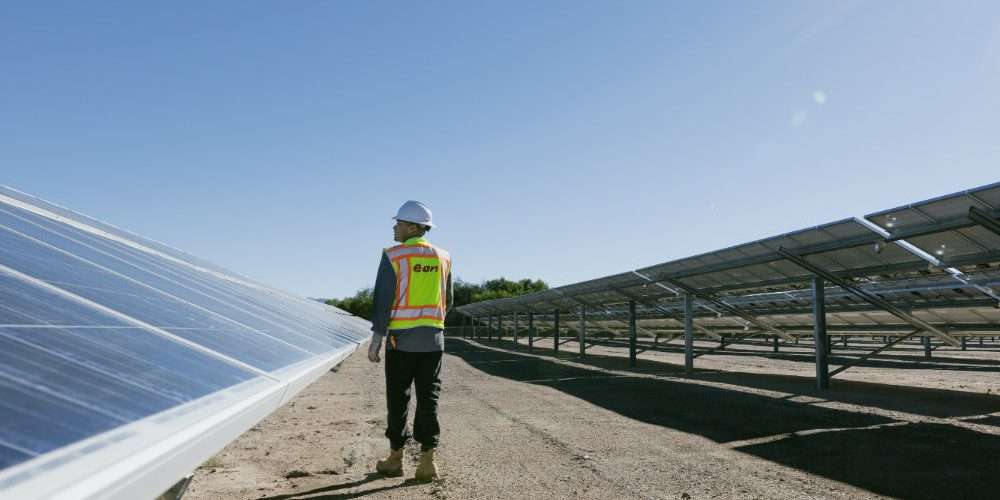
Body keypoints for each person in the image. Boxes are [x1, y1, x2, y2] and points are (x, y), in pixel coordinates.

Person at [368, 200, 452, 482]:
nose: (394, 227)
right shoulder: (444, 257)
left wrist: (377, 338)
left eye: (399, 223)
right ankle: (428, 463)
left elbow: (382, 300)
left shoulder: (393, 256)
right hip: (433, 342)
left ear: (413, 227)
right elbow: (447, 299)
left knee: (398, 399)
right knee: (429, 399)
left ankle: (395, 459)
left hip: (400, 343)